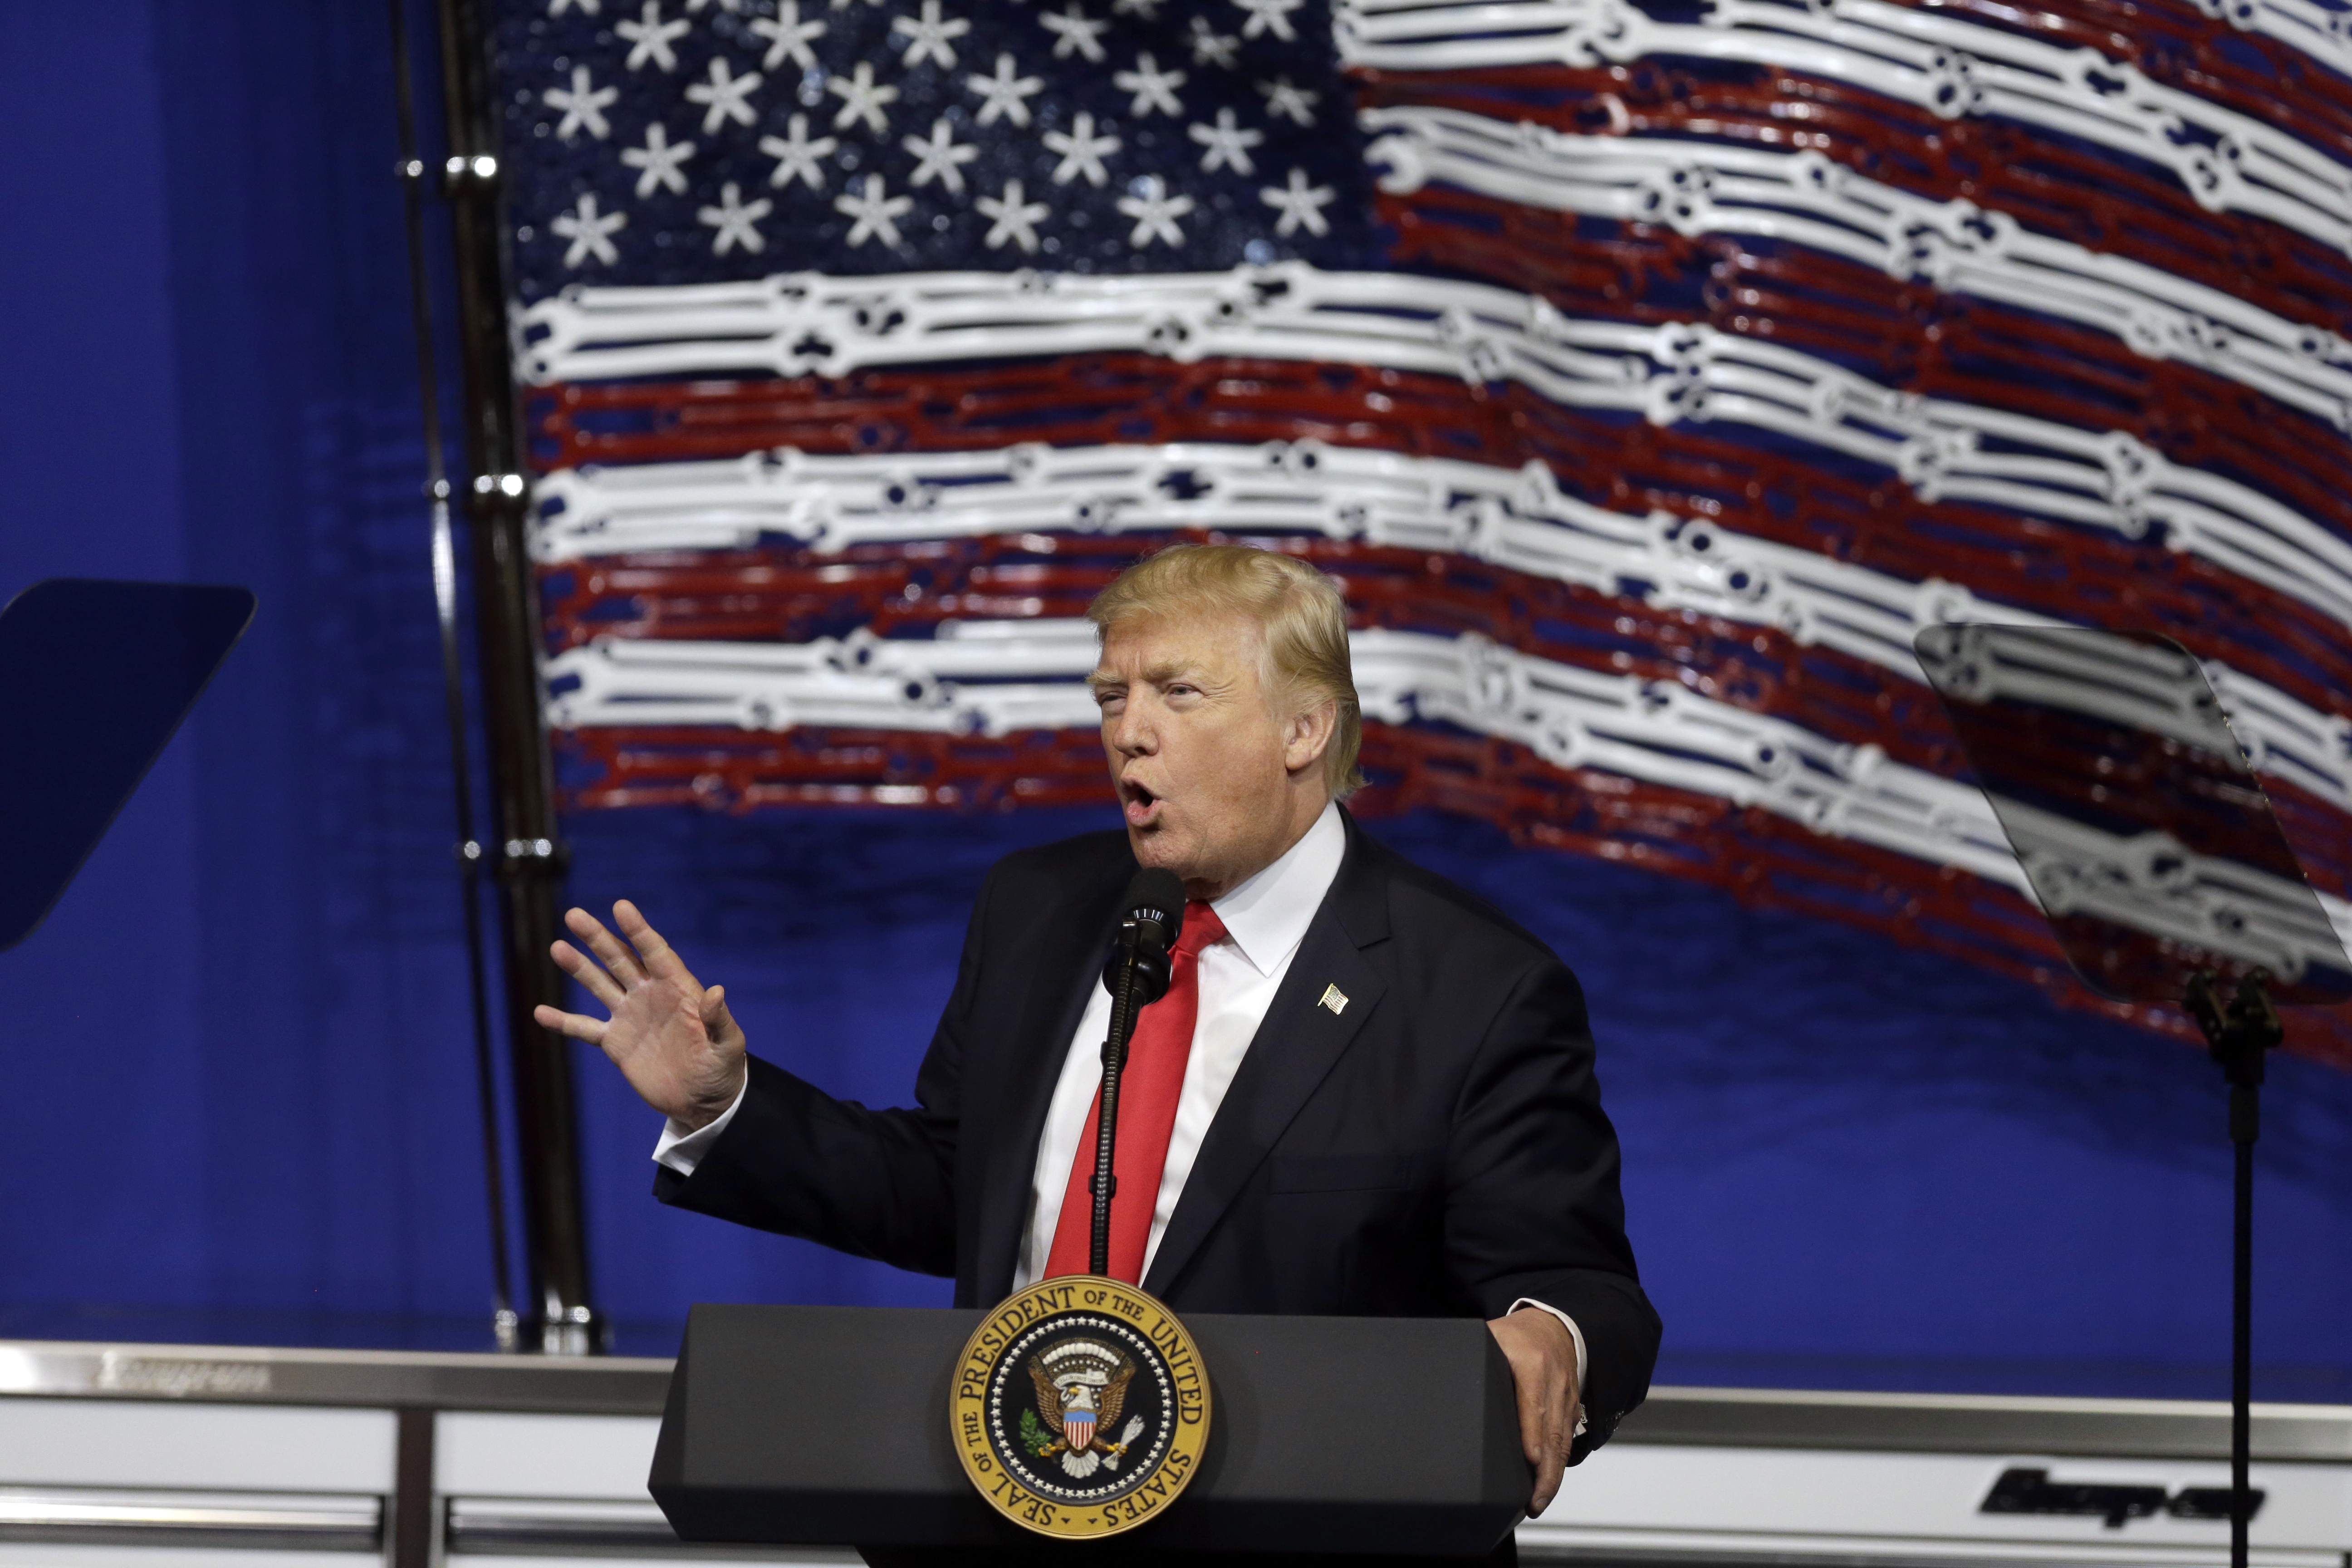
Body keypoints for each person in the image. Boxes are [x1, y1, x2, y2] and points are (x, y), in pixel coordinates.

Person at [537, 544, 1659, 1563]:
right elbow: (952, 1188)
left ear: (1303, 729)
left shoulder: (1476, 986)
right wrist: (729, 1103)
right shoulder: (1043, 908)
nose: (1130, 729)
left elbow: (1582, 1291)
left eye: (1179, 693)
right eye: (1112, 695)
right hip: (1003, 1527)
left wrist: (1545, 1333)